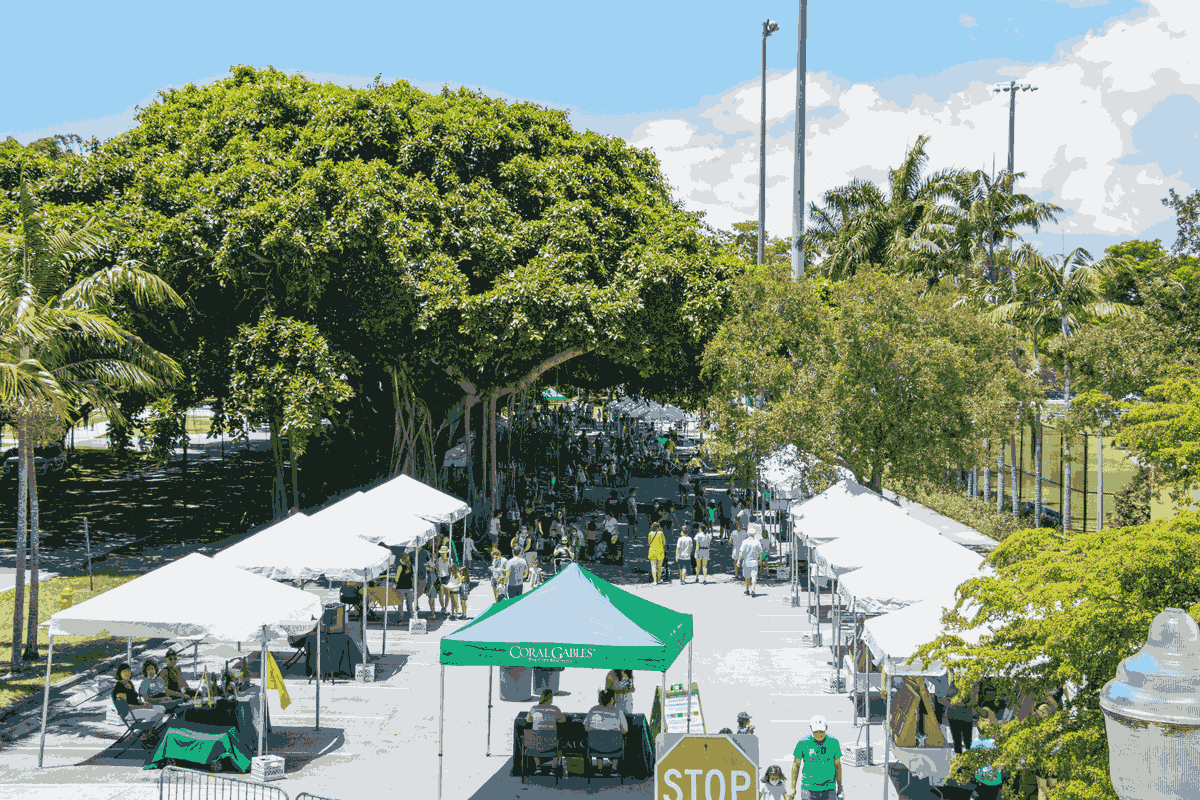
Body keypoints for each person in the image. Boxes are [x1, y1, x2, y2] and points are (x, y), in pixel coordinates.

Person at [788, 715, 844, 800]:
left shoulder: (834, 742)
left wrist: (840, 787)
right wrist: (793, 788)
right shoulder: (803, 743)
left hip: (829, 787)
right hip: (808, 787)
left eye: (821, 731)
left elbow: (838, 765)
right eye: (816, 731)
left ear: (826, 728)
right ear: (811, 728)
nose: (819, 734)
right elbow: (796, 765)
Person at [111, 663, 165, 745]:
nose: (127, 673)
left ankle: (151, 731)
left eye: (128, 671)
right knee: (154, 713)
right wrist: (143, 707)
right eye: (124, 671)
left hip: (137, 709)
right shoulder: (119, 688)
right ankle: (146, 734)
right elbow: (126, 706)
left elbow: (135, 699)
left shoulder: (129, 684)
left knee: (161, 708)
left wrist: (144, 704)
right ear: (119, 673)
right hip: (129, 713)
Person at [584, 688, 628, 776]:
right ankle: (614, 769)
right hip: (614, 747)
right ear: (612, 699)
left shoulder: (593, 710)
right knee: (616, 739)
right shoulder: (618, 712)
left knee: (598, 739)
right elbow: (625, 730)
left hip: (595, 746)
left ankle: (599, 769)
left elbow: (586, 728)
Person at [525, 689, 567, 773]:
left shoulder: (534, 708)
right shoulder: (555, 709)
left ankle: (538, 767)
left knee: (535, 742)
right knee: (560, 746)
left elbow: (528, 720)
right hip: (551, 742)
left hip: (536, 743)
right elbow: (563, 720)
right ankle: (553, 767)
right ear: (550, 699)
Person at [737, 529, 765, 596]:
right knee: (754, 576)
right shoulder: (757, 542)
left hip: (746, 561)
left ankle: (747, 589)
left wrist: (738, 561)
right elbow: (760, 553)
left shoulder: (744, 542)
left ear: (748, 534)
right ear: (754, 534)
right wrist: (760, 562)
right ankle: (753, 589)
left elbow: (741, 552)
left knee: (747, 577)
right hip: (755, 561)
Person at [393, 553, 416, 624]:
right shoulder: (412, 567)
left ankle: (401, 619)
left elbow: (397, 578)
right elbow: (414, 578)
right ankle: (412, 619)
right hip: (409, 588)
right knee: (410, 604)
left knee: (400, 604)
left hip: (400, 587)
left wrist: (394, 583)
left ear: (402, 560)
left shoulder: (400, 567)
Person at [435, 546, 454, 620]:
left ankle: (445, 608)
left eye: (444, 553)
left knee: (447, 594)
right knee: (441, 594)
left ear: (447, 553)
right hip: (440, 577)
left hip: (448, 577)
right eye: (441, 553)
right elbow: (436, 568)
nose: (443, 554)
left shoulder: (450, 560)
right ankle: (443, 607)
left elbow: (452, 569)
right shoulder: (438, 560)